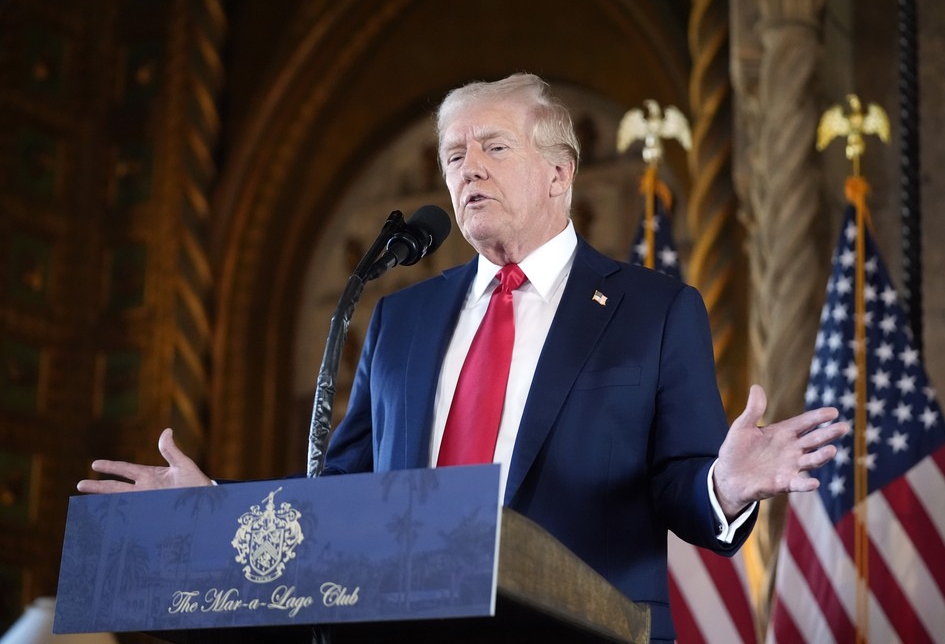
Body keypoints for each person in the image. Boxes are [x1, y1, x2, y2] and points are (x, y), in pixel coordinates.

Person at [79, 73, 848, 642]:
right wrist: (213, 508)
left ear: (559, 173)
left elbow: (685, 492)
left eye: (494, 147)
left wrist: (725, 481)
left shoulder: (653, 310)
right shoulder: (399, 319)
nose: (468, 167)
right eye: (453, 154)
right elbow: (342, 499)